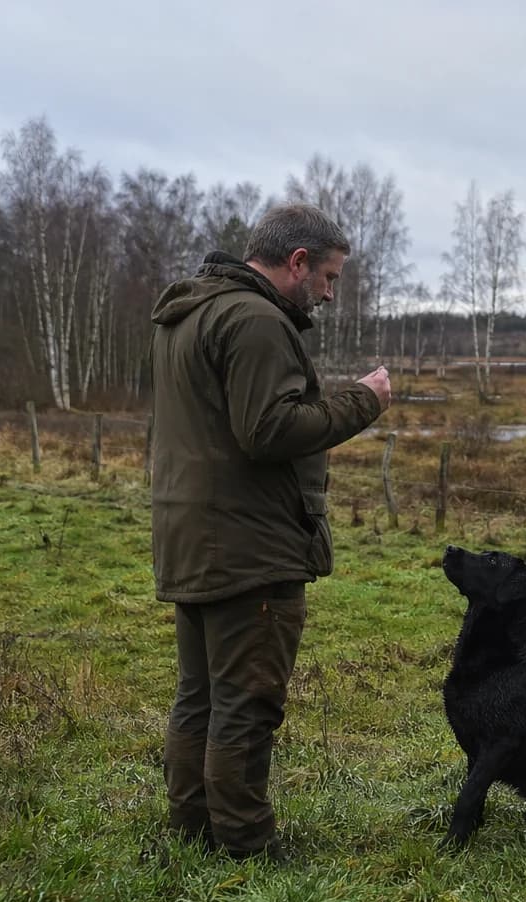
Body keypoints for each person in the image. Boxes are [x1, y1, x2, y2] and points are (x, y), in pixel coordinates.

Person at [148, 202, 391, 861]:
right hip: (248, 546)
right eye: (329, 277)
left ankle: (193, 830)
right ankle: (246, 845)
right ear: (298, 261)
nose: (330, 294)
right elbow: (269, 430)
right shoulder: (254, 320)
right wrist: (363, 400)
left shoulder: (192, 312)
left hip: (193, 537)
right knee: (247, 704)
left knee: (201, 698)